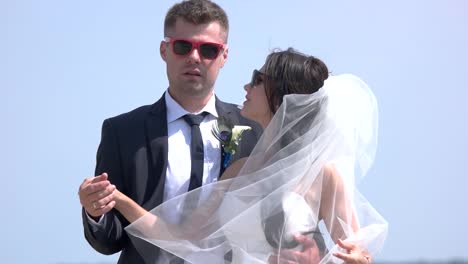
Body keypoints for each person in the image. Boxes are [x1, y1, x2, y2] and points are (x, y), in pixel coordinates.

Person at [114, 48, 388, 264]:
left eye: (258, 79)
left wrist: (356, 259)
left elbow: (357, 250)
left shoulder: (323, 176)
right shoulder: (239, 170)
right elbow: (182, 236)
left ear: (282, 97)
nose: (246, 86)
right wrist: (118, 199)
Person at [77, 0, 262, 263]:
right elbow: (110, 241)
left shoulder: (254, 128)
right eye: (183, 46)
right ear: (164, 50)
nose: (194, 57)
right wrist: (95, 211)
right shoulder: (122, 131)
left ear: (224, 56)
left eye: (208, 49)